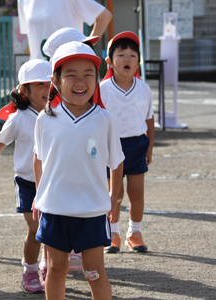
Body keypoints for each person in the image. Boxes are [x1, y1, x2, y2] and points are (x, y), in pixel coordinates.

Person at [32, 41, 124, 300]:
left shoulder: (104, 119)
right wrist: (39, 196)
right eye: (71, 75)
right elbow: (39, 158)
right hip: (54, 209)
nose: (80, 81)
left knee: (93, 271)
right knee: (57, 269)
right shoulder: (45, 118)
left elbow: (116, 162)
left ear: (97, 79)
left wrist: (113, 197)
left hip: (91, 210)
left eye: (88, 74)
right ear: (55, 80)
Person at [0, 59, 50, 293]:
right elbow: (0, 143)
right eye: (39, 84)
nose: (47, 89)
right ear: (24, 91)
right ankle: (29, 270)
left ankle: (49, 264)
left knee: (52, 229)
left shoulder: (58, 113)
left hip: (53, 181)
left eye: (50, 83)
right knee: (35, 229)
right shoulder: (18, 118)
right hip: (27, 182)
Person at [100, 31, 154, 253]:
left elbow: (149, 120)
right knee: (115, 192)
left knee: (137, 192)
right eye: (121, 54)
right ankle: (113, 234)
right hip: (111, 146)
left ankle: (136, 232)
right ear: (109, 61)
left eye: (133, 55)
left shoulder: (144, 88)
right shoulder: (101, 90)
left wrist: (150, 146)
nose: (127, 59)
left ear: (138, 62)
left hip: (137, 145)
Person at [17, 0, 112, 60]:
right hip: (39, 73)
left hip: (68, 70)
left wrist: (86, 47)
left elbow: (105, 16)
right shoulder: (23, 1)